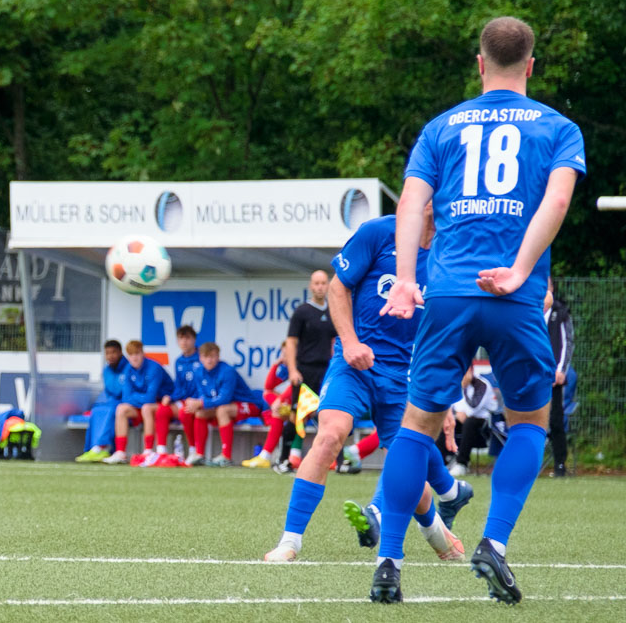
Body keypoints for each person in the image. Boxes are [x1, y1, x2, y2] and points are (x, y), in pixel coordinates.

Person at [372, 16, 586, 604]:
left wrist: (406, 280)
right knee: (530, 424)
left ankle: (389, 562)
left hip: (446, 293)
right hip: (513, 298)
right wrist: (519, 269)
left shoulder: (442, 127)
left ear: (480, 62)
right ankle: (494, 544)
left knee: (416, 426)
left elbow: (413, 202)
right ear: (531, 65)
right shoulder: (558, 127)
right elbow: (559, 198)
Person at [264, 208, 469, 564]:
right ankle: (290, 542)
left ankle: (438, 533)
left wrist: (445, 402)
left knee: (407, 471)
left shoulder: (453, 251)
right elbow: (337, 287)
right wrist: (351, 342)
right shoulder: (377, 232)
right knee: (330, 436)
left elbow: (449, 332)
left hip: (405, 378)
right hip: (353, 363)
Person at [278, 270, 337, 470]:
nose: (320, 286)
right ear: (311, 286)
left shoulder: (333, 312)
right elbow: (291, 343)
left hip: (326, 371)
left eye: (323, 283)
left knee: (329, 415)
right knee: (297, 416)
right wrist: (293, 370)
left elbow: (335, 342)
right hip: (305, 370)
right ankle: (283, 459)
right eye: (316, 283)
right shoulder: (302, 312)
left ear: (328, 285)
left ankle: (332, 460)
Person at [182, 342, 266, 467]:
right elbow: (203, 395)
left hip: (249, 405)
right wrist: (194, 402)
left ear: (218, 357)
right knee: (200, 412)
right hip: (226, 406)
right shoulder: (199, 372)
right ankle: (199, 454)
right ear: (201, 358)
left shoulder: (227, 371)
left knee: (222, 410)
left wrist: (200, 402)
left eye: (213, 356)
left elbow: (224, 399)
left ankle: (226, 456)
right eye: (206, 357)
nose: (209, 360)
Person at [103, 341, 174, 465]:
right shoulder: (128, 369)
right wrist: (139, 397)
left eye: (137, 354)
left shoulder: (154, 368)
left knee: (147, 408)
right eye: (131, 355)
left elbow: (151, 398)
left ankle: (148, 451)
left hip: (163, 405)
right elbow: (126, 397)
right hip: (141, 406)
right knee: (121, 408)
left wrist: (135, 397)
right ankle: (120, 452)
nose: (134, 358)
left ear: (143, 354)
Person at [150, 325, 202, 466]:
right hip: (183, 400)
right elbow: (179, 386)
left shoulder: (201, 358)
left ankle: (193, 450)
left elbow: (205, 384)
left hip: (198, 402)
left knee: (185, 412)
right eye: (181, 338)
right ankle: (161, 452)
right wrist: (171, 397)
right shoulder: (179, 361)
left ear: (194, 339)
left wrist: (197, 399)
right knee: (162, 410)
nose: (184, 342)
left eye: (187, 338)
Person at [76, 340, 129, 462]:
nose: (110, 356)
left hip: (125, 404)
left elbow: (121, 391)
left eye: (113, 352)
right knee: (97, 410)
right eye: (107, 353)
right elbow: (112, 390)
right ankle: (93, 448)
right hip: (113, 402)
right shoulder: (106, 370)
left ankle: (103, 447)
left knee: (111, 409)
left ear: (120, 353)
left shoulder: (129, 368)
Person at [448, 366, 503, 476]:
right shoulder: (454, 384)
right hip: (464, 424)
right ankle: (443, 461)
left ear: (470, 371)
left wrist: (463, 388)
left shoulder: (481, 385)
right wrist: (457, 412)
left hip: (485, 427)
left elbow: (472, 409)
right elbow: (449, 406)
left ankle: (462, 464)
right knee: (446, 423)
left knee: (470, 422)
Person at [545, 280, 574, 477]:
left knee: (555, 420)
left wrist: (561, 369)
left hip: (552, 377)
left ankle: (560, 465)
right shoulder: (528, 310)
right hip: (531, 376)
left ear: (552, 289)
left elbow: (567, 343)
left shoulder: (560, 312)